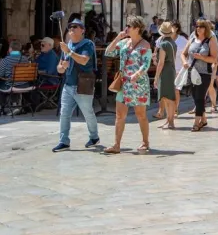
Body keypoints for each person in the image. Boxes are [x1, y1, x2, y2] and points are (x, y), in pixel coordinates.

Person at [103, 15, 152, 154]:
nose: (126, 29)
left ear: (137, 28)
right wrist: (118, 38)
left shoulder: (145, 45)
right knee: (119, 115)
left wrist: (136, 75)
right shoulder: (124, 43)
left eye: (129, 26)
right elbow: (109, 52)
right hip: (124, 84)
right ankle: (116, 145)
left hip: (139, 84)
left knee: (140, 114)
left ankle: (145, 142)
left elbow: (146, 64)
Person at [50, 21, 99, 152]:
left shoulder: (87, 44)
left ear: (82, 30)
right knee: (64, 114)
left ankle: (94, 137)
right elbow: (59, 69)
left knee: (88, 113)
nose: (71, 29)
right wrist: (62, 67)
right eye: (70, 27)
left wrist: (69, 52)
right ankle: (64, 141)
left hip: (83, 84)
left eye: (75, 27)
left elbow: (84, 60)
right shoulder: (68, 45)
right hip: (68, 85)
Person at [182, 19, 218, 133]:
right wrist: (184, 62)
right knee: (194, 97)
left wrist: (202, 57)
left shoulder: (211, 40)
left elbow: (214, 58)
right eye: (197, 26)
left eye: (201, 27)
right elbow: (183, 53)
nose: (198, 28)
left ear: (205, 28)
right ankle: (204, 119)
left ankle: (196, 122)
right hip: (192, 72)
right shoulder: (192, 38)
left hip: (204, 73)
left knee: (199, 97)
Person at [153, 21, 177, 130]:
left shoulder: (163, 44)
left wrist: (156, 76)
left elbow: (161, 62)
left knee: (167, 98)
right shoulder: (173, 42)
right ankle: (169, 121)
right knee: (169, 97)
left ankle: (170, 121)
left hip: (166, 70)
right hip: (171, 69)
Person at [171, 22, 188, 116]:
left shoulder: (183, 40)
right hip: (167, 68)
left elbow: (188, 52)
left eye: (171, 26)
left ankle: (175, 109)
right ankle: (168, 109)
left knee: (176, 90)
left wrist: (186, 62)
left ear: (176, 28)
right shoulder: (165, 39)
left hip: (178, 68)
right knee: (169, 91)